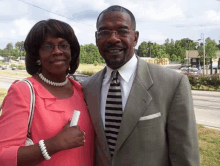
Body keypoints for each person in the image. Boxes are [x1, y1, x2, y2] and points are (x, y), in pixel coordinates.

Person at [82, 5, 200, 166]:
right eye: (104, 32)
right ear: (96, 39)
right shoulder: (87, 88)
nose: (113, 38)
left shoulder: (172, 84)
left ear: (135, 38)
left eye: (122, 31)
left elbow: (185, 157)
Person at [0, 19, 94, 166]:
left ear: (72, 51)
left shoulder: (81, 90)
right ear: (37, 55)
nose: (57, 51)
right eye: (47, 46)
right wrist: (53, 145)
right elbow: (3, 155)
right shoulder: (23, 91)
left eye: (63, 45)